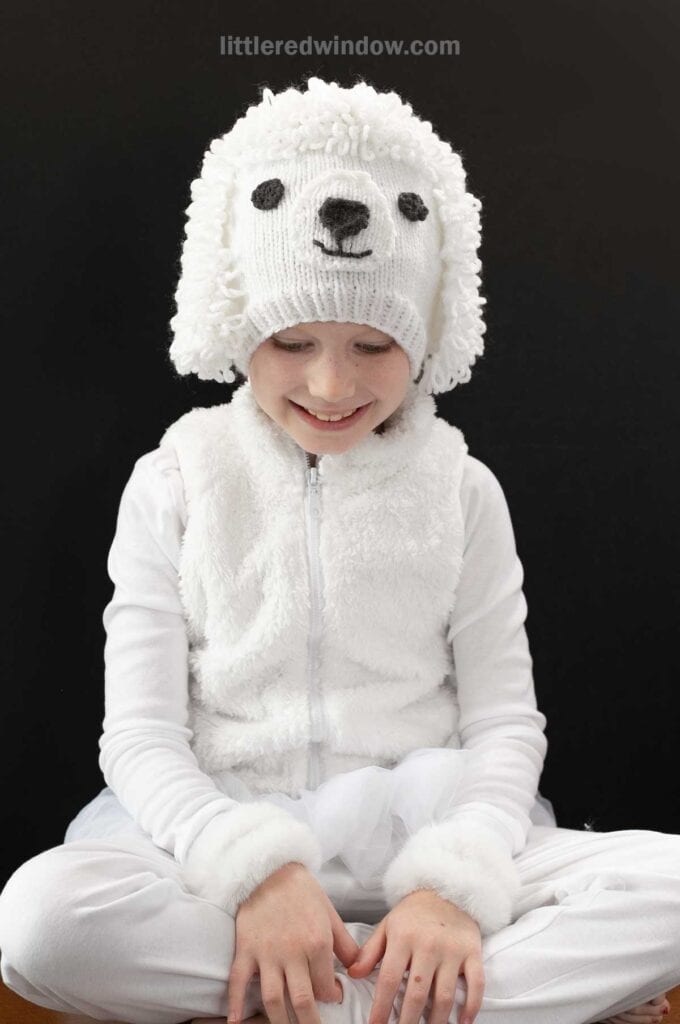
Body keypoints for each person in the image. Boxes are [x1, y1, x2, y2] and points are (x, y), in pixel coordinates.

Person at [0, 75, 678, 1024]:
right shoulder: (176, 481)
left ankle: (343, 994)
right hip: (224, 840)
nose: (329, 383)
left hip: (426, 835)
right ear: (242, 326)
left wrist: (457, 884)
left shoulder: (462, 490)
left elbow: (505, 728)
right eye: (291, 340)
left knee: (675, 890)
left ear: (424, 335)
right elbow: (141, 738)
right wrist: (255, 874)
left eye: (372, 344)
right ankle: (407, 1002)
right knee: (42, 923)